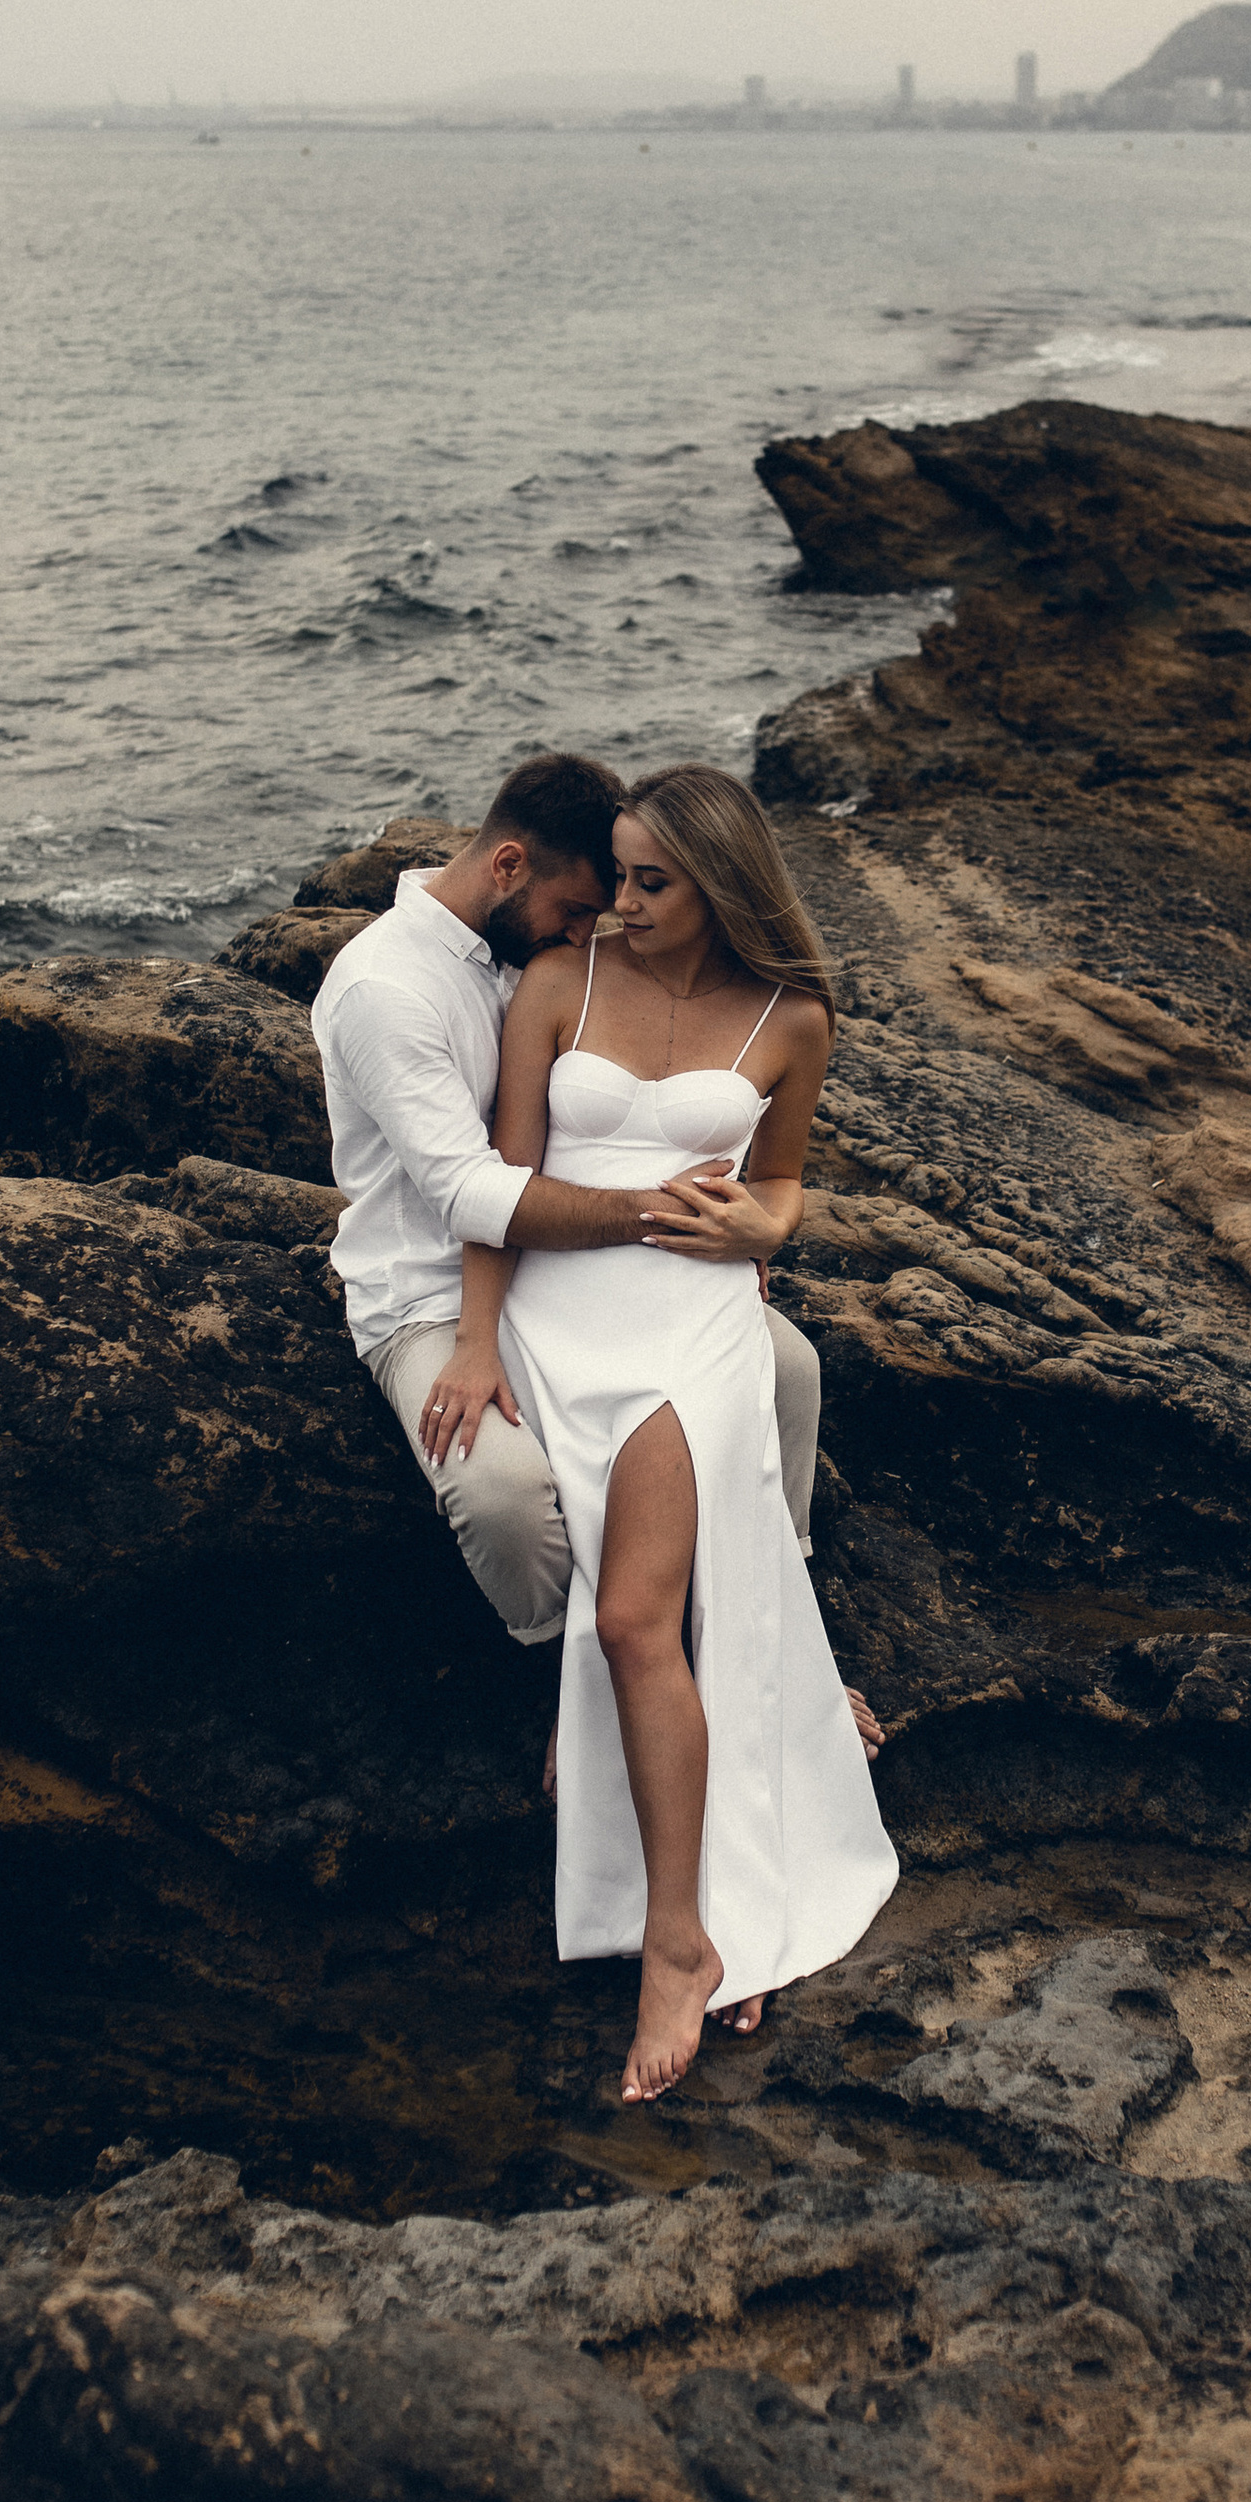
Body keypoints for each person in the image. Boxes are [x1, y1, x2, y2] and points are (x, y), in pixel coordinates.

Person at [430, 764, 897, 2106]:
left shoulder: (792, 1018)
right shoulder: (560, 985)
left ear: (723, 886)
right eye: (618, 875)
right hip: (559, 1315)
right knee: (640, 1619)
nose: (621, 904)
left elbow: (786, 1185)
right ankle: (666, 1876)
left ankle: (679, 1942)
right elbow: (501, 1186)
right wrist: (476, 1338)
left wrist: (766, 1229)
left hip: (689, 1324)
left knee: (641, 1618)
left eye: (652, 882)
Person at [308, 751, 827, 1656]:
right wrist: (675, 1219)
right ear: (509, 868)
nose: (601, 929)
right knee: (503, 1499)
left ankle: (770, 1641)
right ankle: (571, 1666)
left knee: (789, 1371)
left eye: (625, 892)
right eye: (583, 908)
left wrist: (745, 1238)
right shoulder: (388, 991)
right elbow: (476, 1192)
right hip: (430, 1296)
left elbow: (748, 1160)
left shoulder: (529, 947)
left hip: (574, 1268)